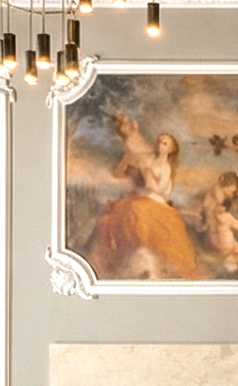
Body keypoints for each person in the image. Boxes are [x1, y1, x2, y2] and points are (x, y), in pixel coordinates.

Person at [86, 110, 203, 280]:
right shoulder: (149, 159)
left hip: (154, 200)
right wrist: (125, 162)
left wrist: (149, 177)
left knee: (139, 211)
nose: (160, 144)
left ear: (171, 149)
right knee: (115, 215)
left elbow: (159, 190)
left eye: (165, 143)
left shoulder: (165, 168)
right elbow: (118, 173)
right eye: (160, 141)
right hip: (139, 197)